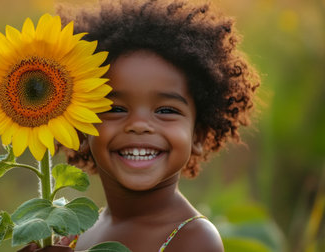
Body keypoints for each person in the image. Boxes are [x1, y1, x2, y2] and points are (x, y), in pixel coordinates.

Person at [20, 0, 260, 251]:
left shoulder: (194, 239)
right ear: (80, 128)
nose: (138, 125)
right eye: (115, 109)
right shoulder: (79, 231)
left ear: (197, 135)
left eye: (166, 110)